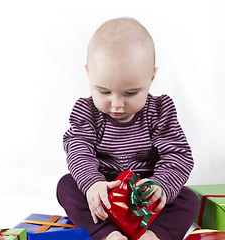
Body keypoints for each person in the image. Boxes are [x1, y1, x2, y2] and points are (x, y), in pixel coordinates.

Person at [56, 17, 199, 240]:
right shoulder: (86, 111)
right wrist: (93, 183)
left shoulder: (160, 110)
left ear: (151, 77)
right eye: (104, 92)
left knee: (188, 199)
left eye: (130, 93)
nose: (117, 104)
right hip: (105, 192)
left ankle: (153, 235)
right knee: (66, 186)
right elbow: (78, 150)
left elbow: (178, 155)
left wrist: (160, 186)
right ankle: (107, 235)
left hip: (144, 197)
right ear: (89, 74)